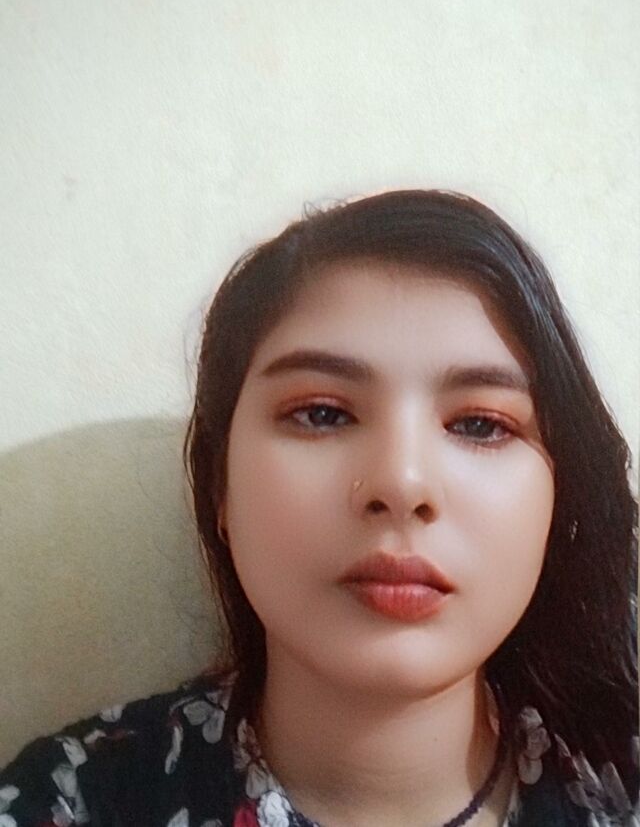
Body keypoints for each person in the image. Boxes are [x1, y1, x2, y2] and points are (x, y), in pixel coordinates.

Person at [1, 190, 637, 827]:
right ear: (220, 483)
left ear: (561, 493)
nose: (402, 483)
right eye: (323, 414)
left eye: (480, 424)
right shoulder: (71, 804)